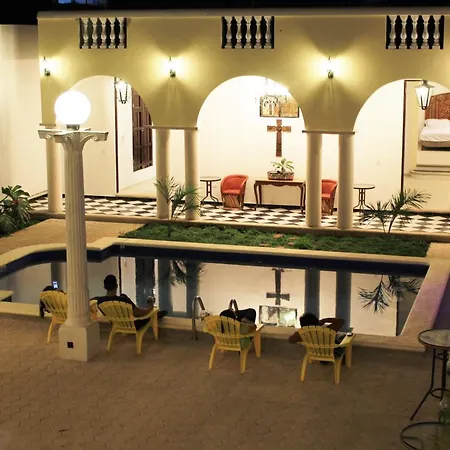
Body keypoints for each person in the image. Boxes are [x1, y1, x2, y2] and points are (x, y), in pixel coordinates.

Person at [93, 274, 167, 329]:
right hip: (133, 325)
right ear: (116, 286)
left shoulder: (100, 302)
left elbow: (94, 300)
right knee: (153, 314)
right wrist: (150, 308)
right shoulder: (123, 299)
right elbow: (139, 313)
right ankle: (158, 314)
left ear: (105, 287)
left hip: (116, 324)